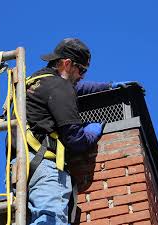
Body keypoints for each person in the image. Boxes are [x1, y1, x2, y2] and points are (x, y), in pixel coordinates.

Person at [10, 38, 141, 225]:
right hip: (44, 166)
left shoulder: (34, 82)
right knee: (50, 219)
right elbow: (75, 139)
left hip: (18, 167)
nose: (82, 76)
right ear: (67, 63)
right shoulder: (60, 86)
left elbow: (77, 87)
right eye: (82, 70)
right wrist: (93, 131)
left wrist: (108, 86)